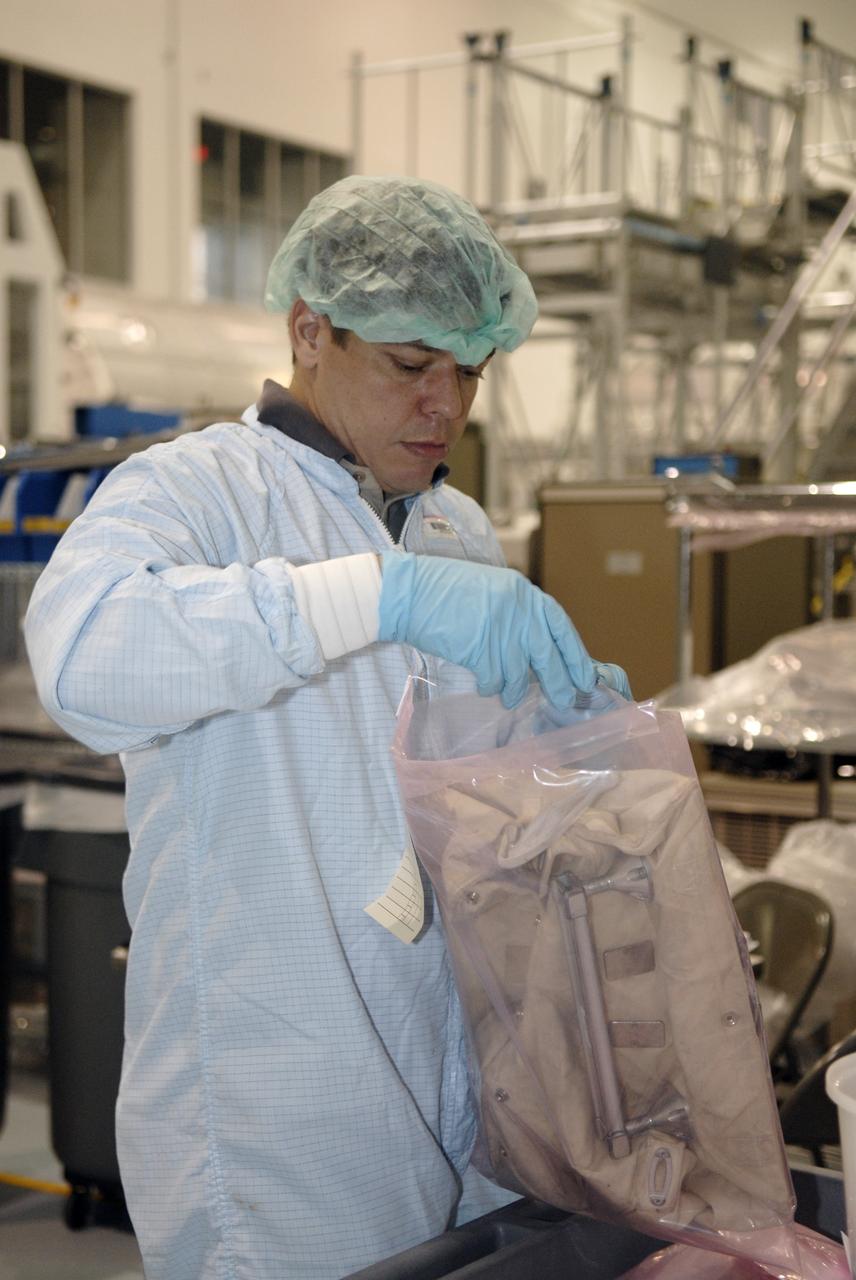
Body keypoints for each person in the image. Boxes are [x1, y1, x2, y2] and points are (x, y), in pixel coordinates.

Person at [25, 175, 629, 1280]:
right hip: (278, 1097)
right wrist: (376, 596)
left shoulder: (456, 527)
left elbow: (451, 783)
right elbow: (84, 657)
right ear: (311, 330)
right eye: (410, 365)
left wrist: (566, 757)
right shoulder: (195, 490)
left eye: (470, 372)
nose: (444, 406)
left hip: (455, 1058)